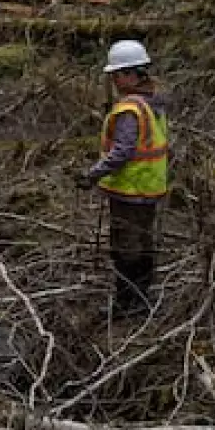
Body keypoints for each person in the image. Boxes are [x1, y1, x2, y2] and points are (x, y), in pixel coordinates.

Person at [80, 39, 171, 318]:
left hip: (130, 191)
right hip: (150, 188)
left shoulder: (130, 110)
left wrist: (92, 175)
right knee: (143, 243)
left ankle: (127, 303)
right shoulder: (153, 104)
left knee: (125, 246)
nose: (115, 81)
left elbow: (122, 151)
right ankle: (143, 299)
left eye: (118, 75)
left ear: (133, 74)